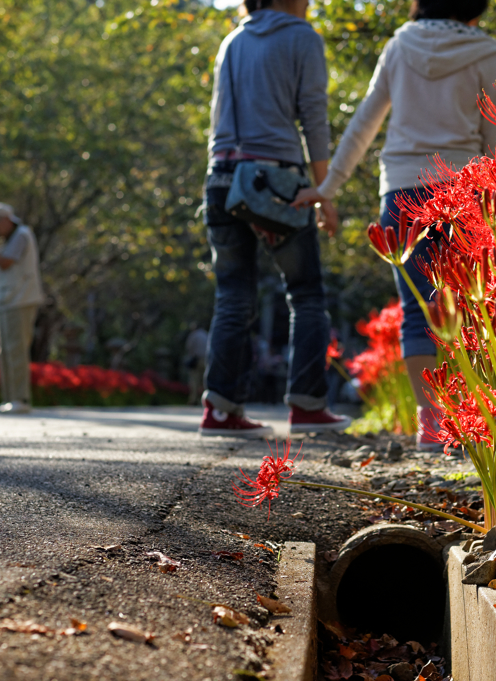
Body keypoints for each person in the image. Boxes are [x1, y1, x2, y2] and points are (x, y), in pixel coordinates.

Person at [293, 0, 496, 450]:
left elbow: (365, 122)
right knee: (469, 308)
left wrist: (329, 187)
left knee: (418, 311)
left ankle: (430, 424)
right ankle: (468, 423)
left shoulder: (399, 45)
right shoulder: (486, 50)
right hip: (464, 189)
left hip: (403, 191)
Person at [200, 0, 351, 438]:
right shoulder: (302, 37)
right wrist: (325, 193)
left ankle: (221, 410)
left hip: (222, 178)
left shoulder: (233, 40)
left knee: (232, 295)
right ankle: (307, 405)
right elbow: (314, 120)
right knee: (306, 294)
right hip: (277, 179)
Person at [0, 202, 45, 414]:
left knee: (16, 348)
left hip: (21, 300)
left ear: (6, 219)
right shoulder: (7, 240)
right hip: (7, 301)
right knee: (4, 351)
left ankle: (21, 398)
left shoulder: (21, 234)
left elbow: (4, 263)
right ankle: (9, 399)